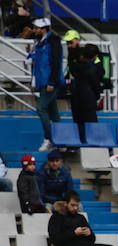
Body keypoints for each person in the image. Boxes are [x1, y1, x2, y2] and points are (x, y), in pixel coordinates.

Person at [29, 18, 64, 152]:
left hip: (50, 83)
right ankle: (61, 140)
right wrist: (34, 82)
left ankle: (50, 138)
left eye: (36, 28)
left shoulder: (53, 42)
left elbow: (56, 63)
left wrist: (52, 82)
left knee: (41, 108)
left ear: (43, 29)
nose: (34, 30)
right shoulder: (40, 43)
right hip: (43, 82)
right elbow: (37, 65)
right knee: (53, 112)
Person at [47, 192, 117, 246]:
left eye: (77, 205)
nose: (75, 208)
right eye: (72, 205)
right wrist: (74, 233)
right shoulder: (56, 217)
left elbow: (92, 239)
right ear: (65, 203)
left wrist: (89, 234)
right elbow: (55, 239)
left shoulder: (80, 217)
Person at [68, 43, 102, 141]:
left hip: (76, 99)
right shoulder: (92, 68)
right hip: (88, 100)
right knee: (91, 126)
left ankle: (81, 145)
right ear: (95, 56)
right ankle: (92, 146)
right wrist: (97, 95)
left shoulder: (76, 66)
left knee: (79, 125)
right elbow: (95, 84)